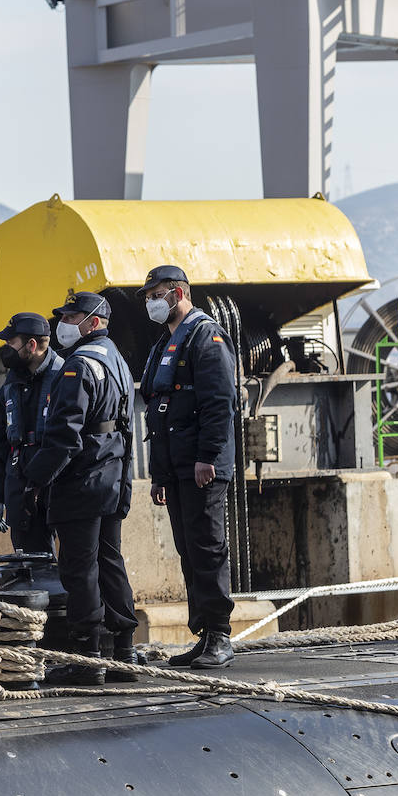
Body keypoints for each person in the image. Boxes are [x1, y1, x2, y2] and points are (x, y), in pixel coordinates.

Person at [23, 291, 139, 685]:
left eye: (71, 317)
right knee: (110, 560)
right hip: (112, 476)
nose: (64, 324)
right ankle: (125, 649)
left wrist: (36, 478)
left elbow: (64, 435)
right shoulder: (117, 360)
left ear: (93, 322)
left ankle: (88, 655)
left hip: (83, 479)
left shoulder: (78, 366)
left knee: (78, 567)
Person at [138, 265, 238, 669]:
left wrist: (208, 458)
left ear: (177, 293)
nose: (150, 303)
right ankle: (203, 632)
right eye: (147, 297)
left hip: (201, 467)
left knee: (207, 547)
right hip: (176, 467)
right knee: (188, 550)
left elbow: (219, 403)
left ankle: (220, 635)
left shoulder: (205, 336)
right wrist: (160, 475)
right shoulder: (165, 343)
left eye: (155, 295)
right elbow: (159, 411)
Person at [0, 312, 64, 555]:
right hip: (20, 485)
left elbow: (71, 438)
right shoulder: (9, 385)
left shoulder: (66, 376)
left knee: (76, 566)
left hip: (59, 483)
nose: (7, 348)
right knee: (29, 565)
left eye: (11, 343)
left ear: (31, 345)